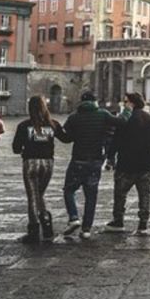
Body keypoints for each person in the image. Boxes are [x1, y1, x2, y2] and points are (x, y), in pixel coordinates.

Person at [61, 91, 124, 240]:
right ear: (95, 101)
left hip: (78, 160)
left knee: (69, 190)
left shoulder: (74, 117)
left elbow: (66, 138)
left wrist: (56, 130)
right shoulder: (103, 114)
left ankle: (74, 217)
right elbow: (121, 122)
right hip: (95, 161)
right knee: (91, 196)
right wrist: (127, 109)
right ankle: (86, 229)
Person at [12, 96, 66, 243]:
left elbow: (16, 148)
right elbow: (66, 138)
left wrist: (25, 146)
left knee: (32, 196)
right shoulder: (53, 124)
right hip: (48, 163)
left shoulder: (24, 126)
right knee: (39, 194)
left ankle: (34, 229)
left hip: (31, 163)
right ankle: (47, 225)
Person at [105, 93, 150, 235]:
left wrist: (111, 157)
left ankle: (118, 221)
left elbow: (116, 140)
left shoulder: (125, 119)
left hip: (126, 163)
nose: (124, 103)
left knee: (120, 194)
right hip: (145, 165)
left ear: (132, 103)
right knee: (145, 195)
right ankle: (143, 224)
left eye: (126, 101)